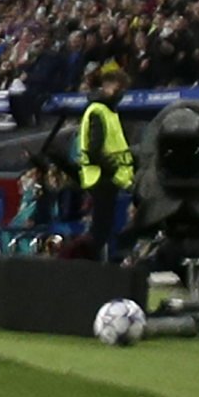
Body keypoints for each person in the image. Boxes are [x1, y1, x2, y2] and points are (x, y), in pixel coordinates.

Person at [75, 63, 136, 254]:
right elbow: (94, 150)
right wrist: (113, 170)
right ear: (109, 85)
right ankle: (90, 266)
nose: (121, 93)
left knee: (103, 226)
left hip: (107, 178)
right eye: (119, 88)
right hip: (102, 178)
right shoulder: (99, 111)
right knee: (100, 228)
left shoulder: (108, 111)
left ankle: (94, 265)